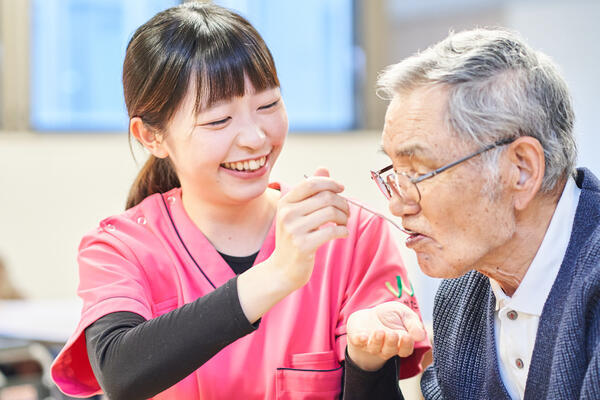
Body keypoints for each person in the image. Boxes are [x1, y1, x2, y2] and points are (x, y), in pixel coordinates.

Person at [50, 3, 430, 399]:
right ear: (151, 136)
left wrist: (366, 358)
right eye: (218, 121)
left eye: (268, 105)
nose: (255, 137)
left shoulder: (348, 234)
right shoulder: (119, 248)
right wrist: (278, 273)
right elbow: (119, 372)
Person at [373, 27, 600, 399]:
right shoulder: (460, 292)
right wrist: (368, 368)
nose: (397, 205)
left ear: (521, 170)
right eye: (395, 174)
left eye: (419, 173)